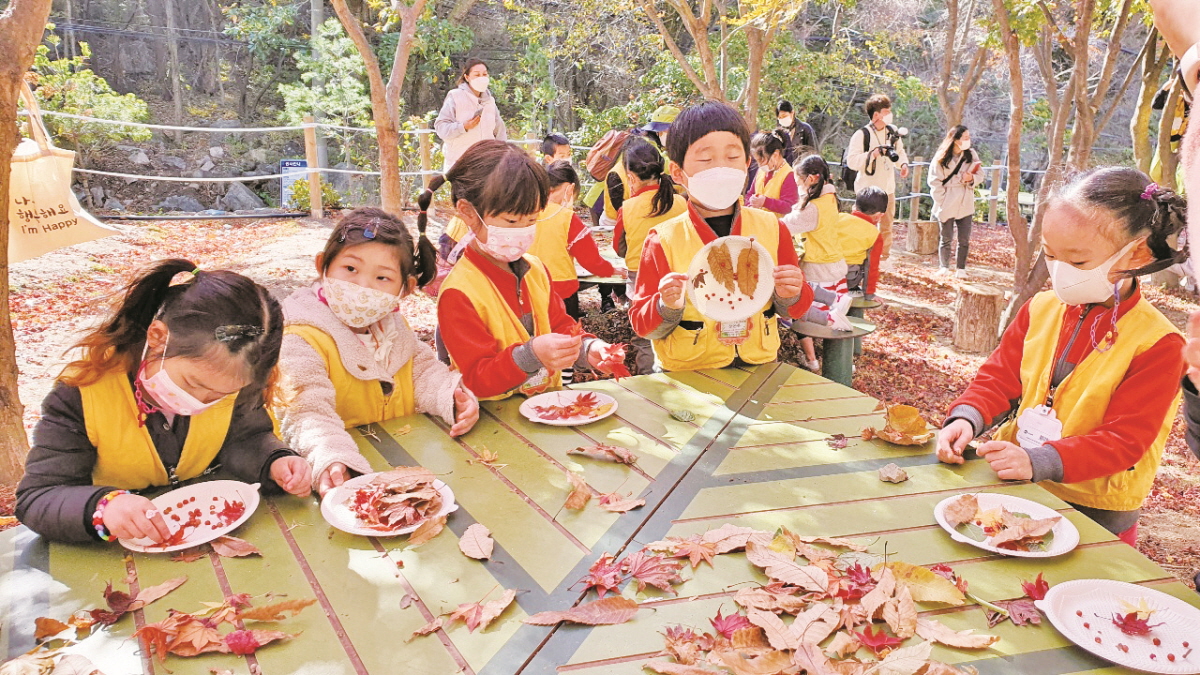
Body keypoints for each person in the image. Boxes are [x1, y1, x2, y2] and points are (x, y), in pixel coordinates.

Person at [936, 167, 1188, 546]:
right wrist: (968, 418)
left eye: (1079, 262)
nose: (1059, 271)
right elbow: (1000, 378)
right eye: (1050, 255)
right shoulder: (1040, 308)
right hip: (1019, 489)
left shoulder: (1159, 344)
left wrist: (1042, 460)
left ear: (1136, 253)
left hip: (1096, 511)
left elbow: (1124, 440)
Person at [16, 261, 312, 544]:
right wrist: (104, 508)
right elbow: (39, 497)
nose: (203, 402)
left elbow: (245, 436)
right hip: (117, 553)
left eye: (221, 395)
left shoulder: (233, 378)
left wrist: (274, 461)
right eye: (194, 385)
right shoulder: (81, 394)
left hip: (203, 530)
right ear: (158, 337)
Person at [277, 209, 480, 497]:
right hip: (342, 477)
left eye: (382, 277)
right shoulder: (299, 336)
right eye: (350, 269)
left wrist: (450, 396)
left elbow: (421, 370)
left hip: (401, 468)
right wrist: (330, 456)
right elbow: (305, 411)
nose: (362, 286)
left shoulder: (392, 326)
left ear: (405, 288)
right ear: (323, 266)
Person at [629, 100, 813, 372]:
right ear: (678, 171)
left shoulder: (773, 229)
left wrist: (792, 294)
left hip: (758, 369)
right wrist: (665, 304)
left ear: (748, 163)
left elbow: (794, 310)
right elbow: (644, 326)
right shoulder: (663, 240)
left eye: (732, 157)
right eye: (705, 159)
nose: (720, 169)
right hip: (688, 376)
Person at [429, 140, 622, 399]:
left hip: (547, 408)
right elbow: (476, 379)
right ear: (468, 212)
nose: (522, 231)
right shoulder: (459, 293)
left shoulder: (536, 269)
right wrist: (531, 355)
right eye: (511, 221)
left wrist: (587, 348)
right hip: (494, 425)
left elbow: (561, 325)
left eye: (531, 220)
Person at [613, 136, 687, 374]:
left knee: (644, 333)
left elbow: (619, 248)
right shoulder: (680, 203)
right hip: (677, 277)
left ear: (631, 177)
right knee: (677, 327)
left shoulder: (627, 208)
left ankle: (647, 382)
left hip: (640, 279)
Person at [781, 154, 854, 369]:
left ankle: (813, 361)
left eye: (798, 182)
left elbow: (784, 225)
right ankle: (844, 361)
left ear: (812, 179)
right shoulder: (830, 199)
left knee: (803, 316)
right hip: (836, 266)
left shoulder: (812, 208)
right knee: (830, 321)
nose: (798, 187)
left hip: (817, 269)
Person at [528, 160, 617, 319]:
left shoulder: (524, 211)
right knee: (566, 337)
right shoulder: (566, 218)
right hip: (562, 290)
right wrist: (612, 270)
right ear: (570, 189)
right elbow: (590, 260)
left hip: (528, 288)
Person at [845, 94, 909, 267]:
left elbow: (900, 152)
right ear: (875, 115)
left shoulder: (892, 131)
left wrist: (903, 165)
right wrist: (872, 154)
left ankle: (883, 259)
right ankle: (858, 259)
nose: (889, 115)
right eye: (886, 112)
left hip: (887, 188)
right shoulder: (862, 134)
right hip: (867, 190)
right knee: (862, 225)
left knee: (887, 226)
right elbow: (852, 161)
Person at [435, 58, 508, 172]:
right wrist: (463, 127)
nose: (481, 78)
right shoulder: (455, 96)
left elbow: (500, 132)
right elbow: (441, 128)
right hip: (461, 164)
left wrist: (501, 155)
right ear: (467, 77)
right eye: (477, 75)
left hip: (487, 165)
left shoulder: (490, 101)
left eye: (484, 74)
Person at [930, 125, 982, 279]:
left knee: (964, 238)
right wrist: (942, 200)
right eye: (965, 138)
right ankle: (944, 266)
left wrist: (971, 178)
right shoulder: (941, 157)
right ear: (956, 140)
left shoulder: (971, 154)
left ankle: (961, 268)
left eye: (968, 137)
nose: (968, 140)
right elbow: (934, 182)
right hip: (948, 199)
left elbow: (981, 174)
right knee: (946, 237)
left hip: (965, 198)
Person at [842, 186, 887, 298]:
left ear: (854, 207)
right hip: (847, 278)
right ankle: (853, 290)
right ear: (879, 216)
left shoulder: (839, 217)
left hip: (824, 270)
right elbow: (872, 266)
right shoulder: (875, 234)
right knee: (866, 260)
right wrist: (869, 294)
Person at [746, 130, 799, 216]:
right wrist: (750, 203)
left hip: (776, 226)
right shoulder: (761, 171)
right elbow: (750, 193)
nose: (760, 165)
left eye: (761, 160)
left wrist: (765, 202)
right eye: (757, 161)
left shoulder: (789, 175)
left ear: (775, 155)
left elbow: (790, 207)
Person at [776, 100, 817, 165]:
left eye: (784, 116)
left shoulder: (805, 129)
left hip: (801, 168)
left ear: (792, 113)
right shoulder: (778, 132)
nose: (782, 119)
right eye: (780, 117)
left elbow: (813, 152)